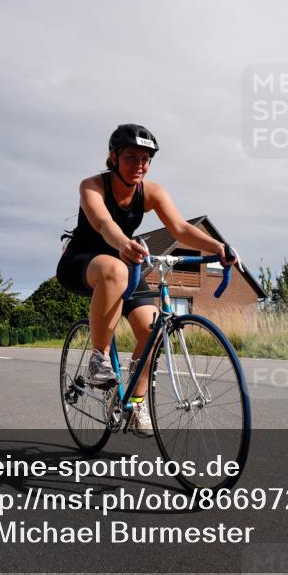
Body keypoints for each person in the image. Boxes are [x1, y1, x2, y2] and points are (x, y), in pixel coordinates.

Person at [55, 123, 240, 437]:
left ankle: (135, 403)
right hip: (82, 261)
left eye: (145, 159)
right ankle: (98, 359)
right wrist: (122, 243)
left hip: (125, 263)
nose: (139, 165)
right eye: (130, 157)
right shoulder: (92, 185)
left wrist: (219, 247)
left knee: (153, 329)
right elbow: (102, 223)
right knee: (115, 270)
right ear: (112, 158)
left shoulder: (151, 192)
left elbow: (179, 228)